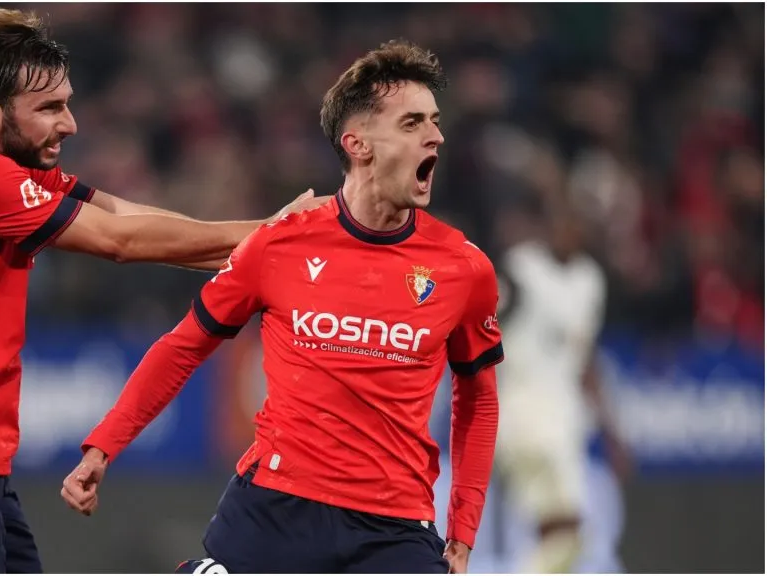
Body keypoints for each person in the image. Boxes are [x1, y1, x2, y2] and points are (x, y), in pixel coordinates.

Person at [0, 8, 320, 574]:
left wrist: (266, 239)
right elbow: (120, 240)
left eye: (67, 102)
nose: (69, 123)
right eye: (49, 108)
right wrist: (277, 235)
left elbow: (120, 211)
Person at [64, 40, 504, 574]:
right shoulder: (278, 245)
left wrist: (461, 530)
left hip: (394, 528)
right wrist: (103, 447)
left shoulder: (464, 267)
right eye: (413, 123)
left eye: (434, 121)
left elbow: (477, 400)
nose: (436, 135)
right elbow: (183, 347)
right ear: (358, 143)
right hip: (277, 507)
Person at [492, 204, 630, 572]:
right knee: (567, 530)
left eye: (574, 227)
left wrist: (611, 428)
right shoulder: (522, 268)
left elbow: (584, 359)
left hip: (563, 416)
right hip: (523, 415)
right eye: (558, 225)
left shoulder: (589, 281)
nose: (565, 234)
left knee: (559, 535)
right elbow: (493, 311)